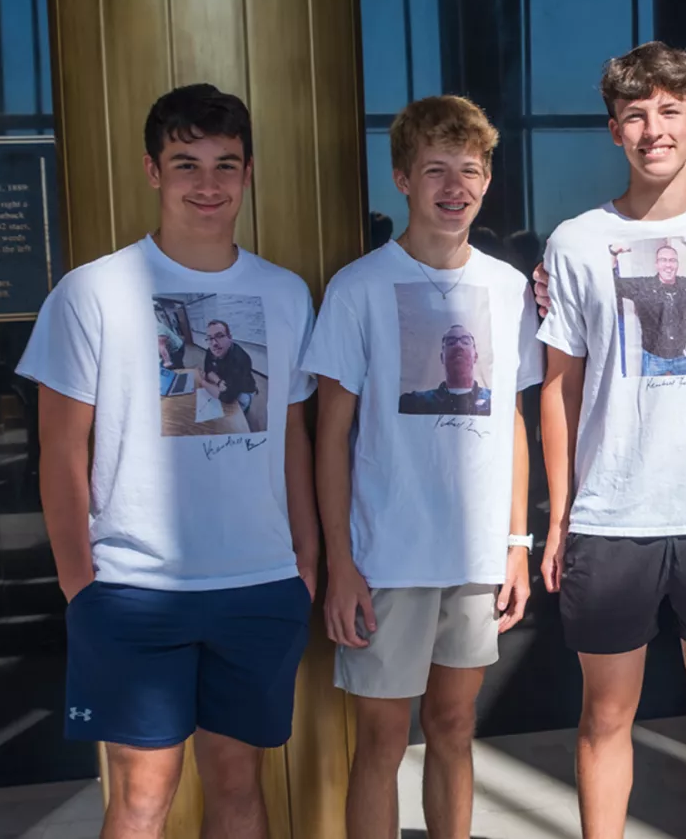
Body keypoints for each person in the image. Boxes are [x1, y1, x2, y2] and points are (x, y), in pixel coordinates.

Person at [16, 84, 319, 839]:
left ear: (248, 173)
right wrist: (80, 584)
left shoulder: (285, 294)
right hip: (134, 588)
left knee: (240, 786)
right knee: (143, 799)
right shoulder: (92, 292)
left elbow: (292, 436)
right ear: (153, 171)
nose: (207, 184)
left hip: (259, 583)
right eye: (186, 164)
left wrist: (305, 561)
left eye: (225, 164)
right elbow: (60, 448)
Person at [537, 41, 686, 839]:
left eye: (670, 111)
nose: (654, 130)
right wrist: (560, 516)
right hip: (614, 516)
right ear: (614, 131)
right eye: (636, 115)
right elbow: (558, 389)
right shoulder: (576, 242)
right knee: (606, 715)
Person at [304, 95, 541, 839]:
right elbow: (330, 436)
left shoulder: (508, 289)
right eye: (436, 169)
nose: (454, 186)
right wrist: (341, 563)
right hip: (386, 559)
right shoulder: (358, 288)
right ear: (403, 179)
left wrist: (516, 545)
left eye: (468, 170)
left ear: (487, 181)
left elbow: (512, 422)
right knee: (380, 741)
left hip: (473, 559)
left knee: (454, 727)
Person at [611, 238, 686, 375]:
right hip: (653, 360)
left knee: (685, 388)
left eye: (672, 260)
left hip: (681, 358)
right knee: (650, 389)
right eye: (663, 260)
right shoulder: (642, 286)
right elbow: (614, 284)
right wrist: (613, 253)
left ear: (677, 264)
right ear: (656, 264)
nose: (668, 265)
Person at [397, 324, 494, 414]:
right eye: (451, 342)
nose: (458, 346)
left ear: (475, 356)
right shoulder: (415, 403)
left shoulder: (493, 402)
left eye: (465, 342)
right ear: (441, 357)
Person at [201, 318, 258, 410]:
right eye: (210, 338)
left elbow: (227, 397)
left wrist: (202, 382)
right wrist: (219, 382)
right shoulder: (211, 350)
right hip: (225, 381)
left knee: (238, 406)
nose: (214, 343)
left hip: (244, 390)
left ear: (230, 338)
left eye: (219, 336)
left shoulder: (240, 359)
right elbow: (208, 371)